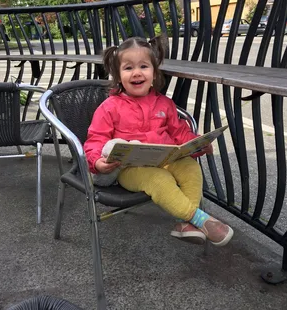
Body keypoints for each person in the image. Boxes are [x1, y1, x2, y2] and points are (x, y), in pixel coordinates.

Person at [83, 35, 234, 246]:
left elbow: (180, 133)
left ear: (154, 73)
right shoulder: (110, 107)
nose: (136, 73)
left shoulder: (164, 103)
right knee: (160, 179)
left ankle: (184, 223)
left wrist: (198, 144)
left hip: (164, 158)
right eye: (128, 68)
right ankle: (200, 219)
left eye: (143, 66)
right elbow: (96, 139)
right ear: (118, 75)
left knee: (191, 168)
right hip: (129, 168)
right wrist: (98, 162)